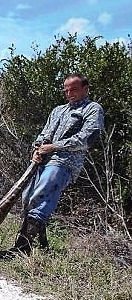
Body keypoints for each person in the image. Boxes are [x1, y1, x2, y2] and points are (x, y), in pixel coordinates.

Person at [11, 73, 105, 255]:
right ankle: (41, 245)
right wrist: (37, 148)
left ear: (86, 89)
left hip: (64, 162)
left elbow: (88, 138)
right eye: (67, 90)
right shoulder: (58, 110)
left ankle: (21, 248)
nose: (69, 93)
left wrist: (53, 147)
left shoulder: (93, 109)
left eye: (74, 90)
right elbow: (44, 133)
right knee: (28, 198)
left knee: (41, 196)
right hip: (42, 160)